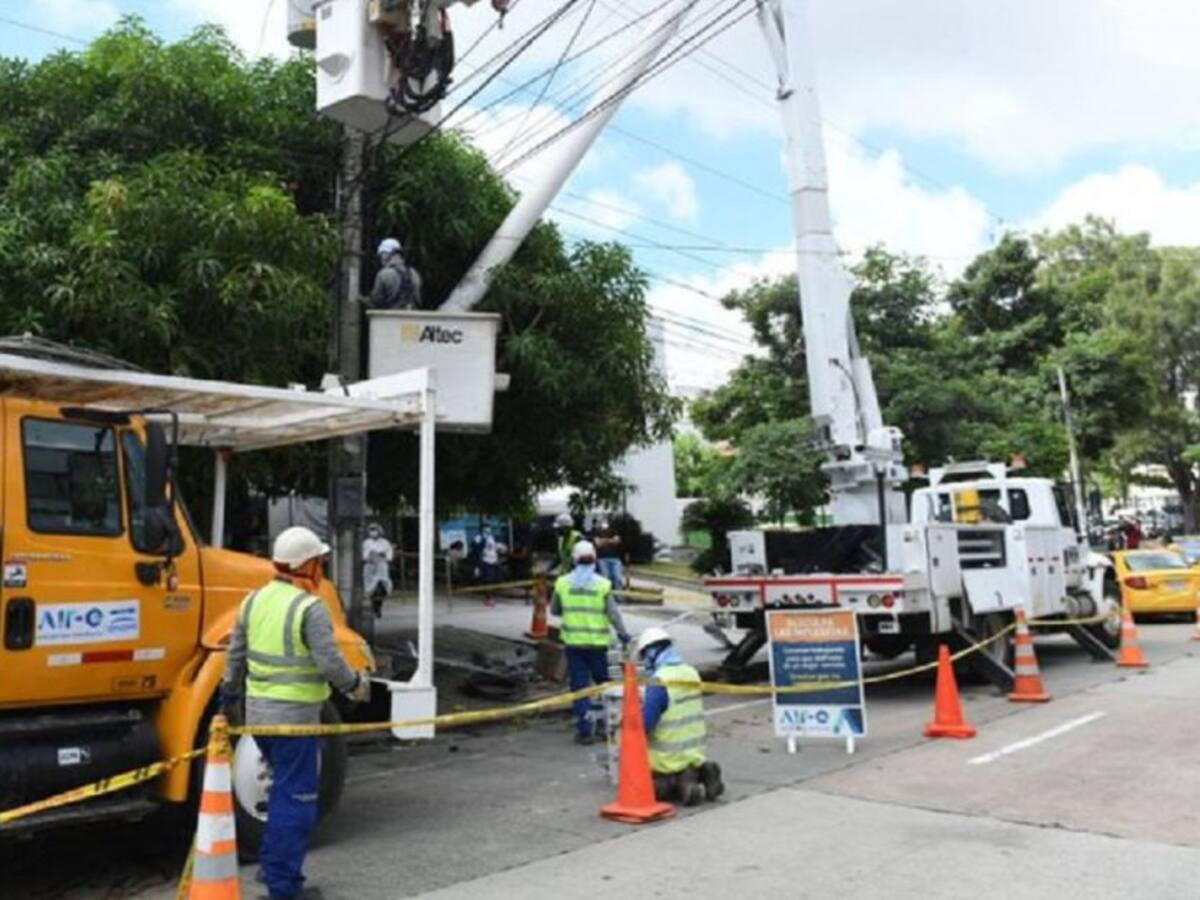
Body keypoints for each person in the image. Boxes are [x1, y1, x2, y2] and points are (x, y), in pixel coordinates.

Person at [221, 526, 371, 900]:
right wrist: (355, 685)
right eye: (320, 562)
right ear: (306, 566)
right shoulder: (310, 608)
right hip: (295, 723)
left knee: (281, 794)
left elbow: (234, 655)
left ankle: (273, 866)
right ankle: (283, 887)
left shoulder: (253, 601)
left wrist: (229, 694)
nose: (322, 569)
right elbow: (330, 663)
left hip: (259, 722)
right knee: (298, 802)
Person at [551, 540, 629, 745]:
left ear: (574, 560)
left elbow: (554, 610)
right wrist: (623, 634)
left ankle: (585, 730)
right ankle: (606, 725)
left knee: (580, 688)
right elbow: (613, 614)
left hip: (574, 645)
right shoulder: (602, 584)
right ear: (594, 559)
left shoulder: (562, 583)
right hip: (597, 645)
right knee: (604, 685)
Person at [637, 626, 724, 807]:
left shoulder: (659, 681)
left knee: (650, 788)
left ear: (651, 653)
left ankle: (683, 785)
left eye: (644, 656)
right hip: (694, 754)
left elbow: (645, 724)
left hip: (666, 760)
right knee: (687, 766)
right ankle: (704, 773)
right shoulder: (691, 673)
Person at [367, 237, 422, 310]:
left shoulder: (383, 274)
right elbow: (418, 300)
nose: (381, 258)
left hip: (391, 316)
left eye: (382, 254)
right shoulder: (414, 273)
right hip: (413, 316)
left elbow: (376, 301)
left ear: (387, 253)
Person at [362, 523, 395, 619]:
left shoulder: (385, 543)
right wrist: (370, 557)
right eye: (371, 530)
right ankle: (374, 606)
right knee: (370, 588)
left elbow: (389, 555)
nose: (373, 532)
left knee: (381, 586)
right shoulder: (366, 543)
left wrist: (382, 557)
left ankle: (378, 606)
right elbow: (364, 556)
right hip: (370, 566)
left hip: (381, 566)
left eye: (375, 530)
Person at [593, 518, 624, 590]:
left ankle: (619, 595)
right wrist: (611, 540)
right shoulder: (597, 532)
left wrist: (603, 540)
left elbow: (617, 542)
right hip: (602, 559)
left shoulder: (614, 531)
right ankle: (607, 594)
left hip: (615, 559)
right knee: (605, 579)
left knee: (618, 578)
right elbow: (598, 544)